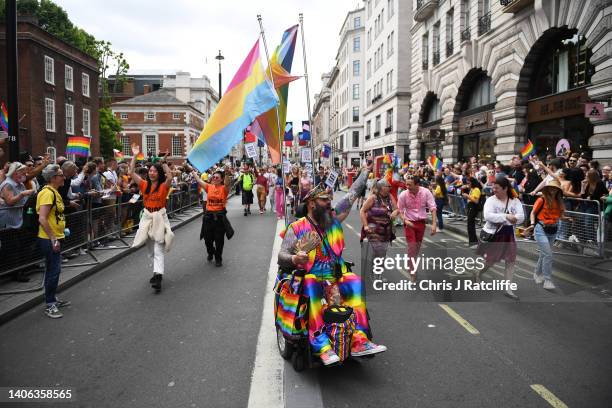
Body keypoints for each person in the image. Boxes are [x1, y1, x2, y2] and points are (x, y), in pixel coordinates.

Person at [277, 162, 387, 366]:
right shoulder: (297, 227)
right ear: (311, 203)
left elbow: (351, 195)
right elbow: (281, 256)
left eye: (329, 199)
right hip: (308, 280)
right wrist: (294, 259)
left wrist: (365, 172)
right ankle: (321, 346)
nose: (329, 203)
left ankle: (359, 341)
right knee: (311, 282)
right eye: (324, 200)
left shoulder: (333, 219)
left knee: (354, 281)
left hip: (334, 277)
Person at [130, 144, 174, 293]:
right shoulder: (143, 185)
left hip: (160, 217)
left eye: (155, 171)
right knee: (150, 248)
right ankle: (156, 270)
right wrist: (135, 155)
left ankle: (158, 276)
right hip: (147, 217)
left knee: (158, 247)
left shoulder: (163, 186)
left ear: (158, 173)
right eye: (150, 170)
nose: (152, 172)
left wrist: (163, 163)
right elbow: (131, 172)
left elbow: (170, 176)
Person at [474, 176, 524, 300]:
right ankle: (478, 273)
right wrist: (507, 217)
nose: (494, 190)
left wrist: (514, 218)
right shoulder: (491, 200)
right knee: (491, 261)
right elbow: (488, 216)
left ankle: (508, 288)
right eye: (493, 187)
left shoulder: (515, 201)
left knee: (511, 261)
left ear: (505, 188)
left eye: (496, 188)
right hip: (495, 234)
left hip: (509, 234)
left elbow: (521, 216)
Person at [37, 164, 69, 318]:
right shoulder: (47, 193)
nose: (64, 177)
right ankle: (50, 304)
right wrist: (53, 238)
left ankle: (53, 299)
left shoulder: (54, 192)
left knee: (54, 270)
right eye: (61, 175)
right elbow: (42, 218)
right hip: (48, 239)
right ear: (53, 178)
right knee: (53, 271)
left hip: (55, 236)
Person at [397, 174, 437, 281]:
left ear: (417, 184)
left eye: (410, 185)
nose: (407, 187)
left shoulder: (426, 192)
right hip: (409, 223)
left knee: (417, 249)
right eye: (406, 184)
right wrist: (405, 220)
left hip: (421, 224)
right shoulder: (403, 195)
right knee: (412, 247)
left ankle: (411, 263)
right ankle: (412, 271)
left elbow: (433, 208)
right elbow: (400, 211)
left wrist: (434, 224)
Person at [0, 162, 35, 282]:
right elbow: (10, 201)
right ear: (15, 172)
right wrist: (22, 194)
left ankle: (19, 270)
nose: (25, 174)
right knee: (12, 247)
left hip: (18, 219)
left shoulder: (19, 184)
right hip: (8, 220)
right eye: (23, 172)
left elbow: (24, 202)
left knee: (19, 245)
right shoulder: (8, 184)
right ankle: (14, 273)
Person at [529, 179, 566, 290]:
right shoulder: (541, 200)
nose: (553, 189)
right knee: (548, 254)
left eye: (555, 188)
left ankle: (536, 273)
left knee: (545, 254)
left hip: (553, 229)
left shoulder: (559, 201)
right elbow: (533, 212)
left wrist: (566, 218)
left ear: (558, 190)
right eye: (551, 187)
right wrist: (531, 224)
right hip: (541, 228)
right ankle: (547, 280)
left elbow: (560, 216)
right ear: (547, 188)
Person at [360, 178, 398, 280]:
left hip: (386, 230)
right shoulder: (373, 198)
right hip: (373, 229)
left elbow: (396, 208)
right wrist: (365, 225)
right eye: (388, 186)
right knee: (378, 251)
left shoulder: (390, 197)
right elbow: (362, 210)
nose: (390, 188)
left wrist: (395, 212)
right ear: (382, 188)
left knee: (383, 253)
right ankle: (374, 273)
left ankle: (378, 272)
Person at [194, 167, 233, 266]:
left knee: (219, 240)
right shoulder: (208, 187)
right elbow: (198, 180)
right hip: (208, 217)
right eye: (213, 177)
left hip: (219, 218)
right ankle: (211, 252)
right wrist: (192, 171)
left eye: (217, 177)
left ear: (221, 179)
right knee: (208, 240)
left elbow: (228, 183)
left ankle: (218, 258)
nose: (215, 179)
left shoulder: (224, 189)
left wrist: (227, 173)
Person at [463, 177, 481, 247]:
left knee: (471, 225)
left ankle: (474, 242)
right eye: (467, 183)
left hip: (473, 207)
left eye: (469, 183)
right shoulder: (472, 189)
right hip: (470, 206)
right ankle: (472, 242)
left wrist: (468, 196)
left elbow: (476, 201)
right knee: (469, 225)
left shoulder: (476, 189)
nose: (468, 184)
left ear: (472, 183)